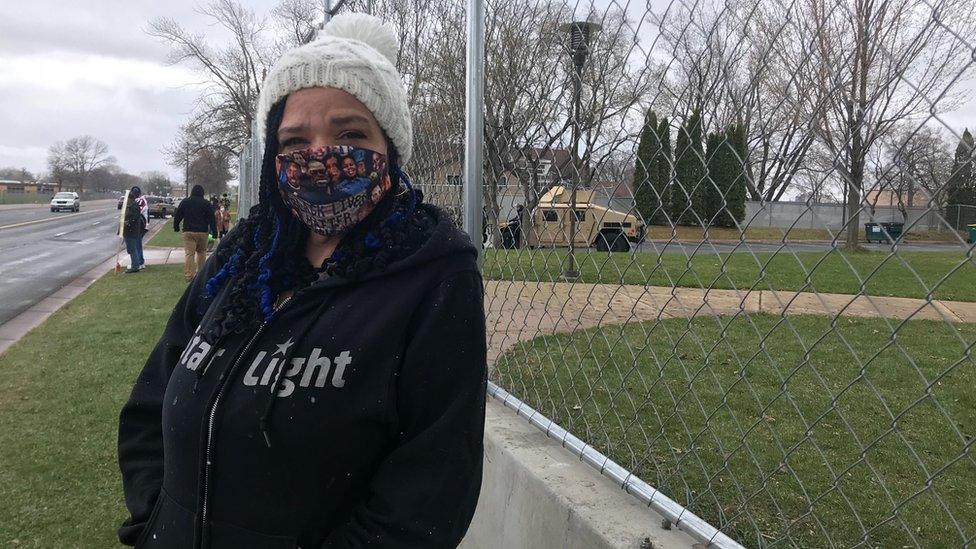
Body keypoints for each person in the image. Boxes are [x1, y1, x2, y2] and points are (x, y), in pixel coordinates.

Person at [117, 12, 486, 549]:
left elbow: (428, 496)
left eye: (350, 133)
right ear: (273, 158)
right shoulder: (241, 259)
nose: (319, 157)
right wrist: (153, 523)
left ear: (390, 149)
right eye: (294, 141)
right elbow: (152, 404)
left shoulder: (436, 277)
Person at [172, 184, 217, 283]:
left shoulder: (185, 202)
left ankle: (189, 276)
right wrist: (214, 231)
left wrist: (176, 226)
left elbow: (178, 215)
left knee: (189, 254)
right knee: (202, 252)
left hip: (188, 231)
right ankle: (200, 275)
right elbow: (212, 218)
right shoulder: (206, 203)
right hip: (202, 232)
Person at [122, 186, 147, 273]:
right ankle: (137, 263)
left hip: (133, 231)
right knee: (134, 247)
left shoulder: (134, 206)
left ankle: (137, 264)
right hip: (133, 230)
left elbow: (134, 218)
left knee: (134, 247)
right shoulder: (132, 205)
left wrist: (128, 223)